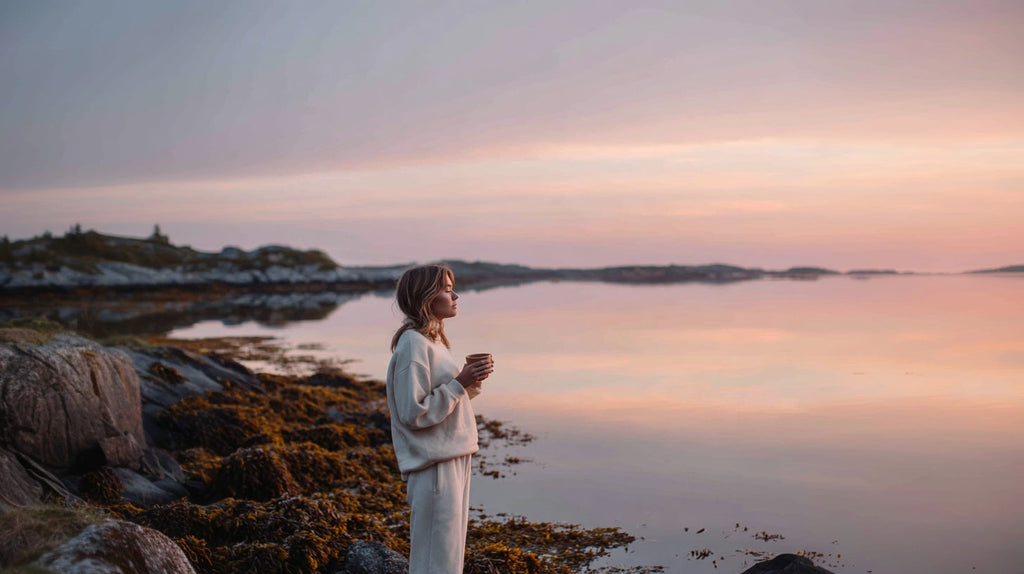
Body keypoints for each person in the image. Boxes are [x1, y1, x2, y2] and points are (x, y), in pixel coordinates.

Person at [386, 264, 494, 574]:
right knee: (436, 555)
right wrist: (459, 382)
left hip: (451, 455)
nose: (455, 295)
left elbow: (444, 402)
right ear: (426, 296)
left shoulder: (432, 341)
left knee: (448, 553)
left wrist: (470, 381)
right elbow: (413, 413)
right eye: (447, 289)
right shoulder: (413, 345)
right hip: (434, 464)